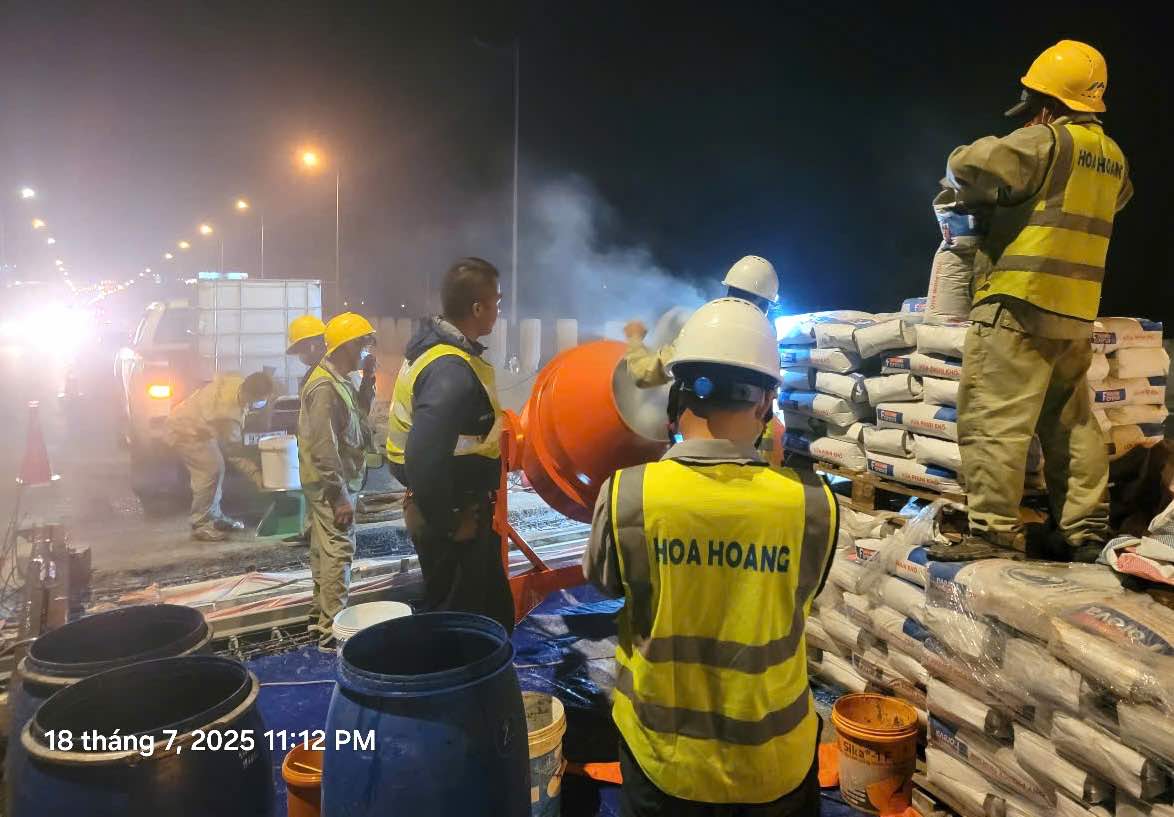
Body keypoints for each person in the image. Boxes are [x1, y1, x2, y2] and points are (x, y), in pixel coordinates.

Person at [585, 297, 838, 816]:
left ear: (680, 394)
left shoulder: (628, 495)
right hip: (776, 767)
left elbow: (606, 584)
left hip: (664, 763)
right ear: (766, 403)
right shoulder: (813, 505)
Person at [942, 40, 1131, 563]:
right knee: (1070, 422)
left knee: (993, 414)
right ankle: (1085, 530)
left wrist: (956, 162)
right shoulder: (1113, 159)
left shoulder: (1046, 142)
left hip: (1019, 301)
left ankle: (994, 530)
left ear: (1046, 102)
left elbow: (977, 163)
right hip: (1074, 310)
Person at [386, 257, 514, 632]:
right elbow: (424, 458)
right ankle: (463, 685)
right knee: (465, 624)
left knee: (485, 612)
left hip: (454, 502)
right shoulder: (450, 371)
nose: (499, 311)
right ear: (478, 308)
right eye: (497, 302)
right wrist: (449, 522)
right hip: (454, 511)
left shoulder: (441, 352)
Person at [298, 312, 377, 650]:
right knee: (339, 551)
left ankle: (319, 620)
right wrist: (340, 495)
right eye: (360, 344)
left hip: (336, 480)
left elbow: (356, 415)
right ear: (345, 346)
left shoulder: (339, 379)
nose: (364, 350)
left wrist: (369, 380)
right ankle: (333, 631)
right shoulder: (324, 386)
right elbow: (323, 445)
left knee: (324, 548)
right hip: (332, 484)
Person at [624, 255, 780, 389]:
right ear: (764, 304)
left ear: (729, 289)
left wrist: (634, 337)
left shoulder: (705, 328)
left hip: (696, 423)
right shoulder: (767, 344)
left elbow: (643, 374)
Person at [165, 371, 275, 542]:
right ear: (249, 395)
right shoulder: (228, 415)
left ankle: (213, 516)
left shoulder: (238, 382)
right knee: (209, 471)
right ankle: (200, 524)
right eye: (259, 399)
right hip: (185, 430)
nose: (262, 402)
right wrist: (257, 477)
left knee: (217, 468)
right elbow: (235, 454)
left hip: (195, 423)